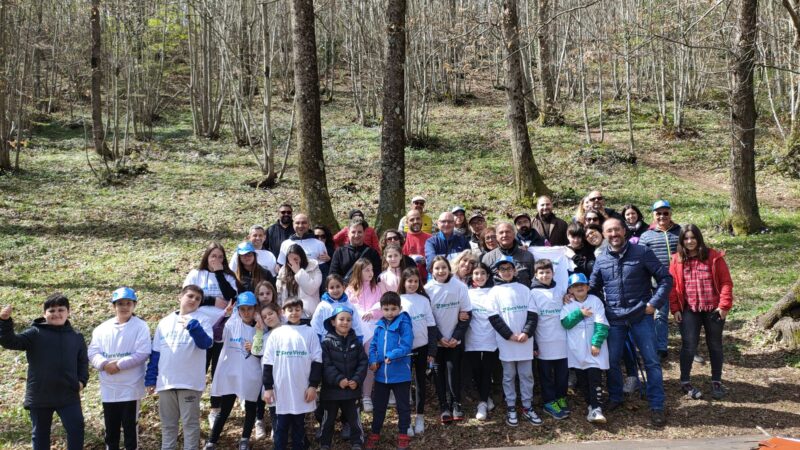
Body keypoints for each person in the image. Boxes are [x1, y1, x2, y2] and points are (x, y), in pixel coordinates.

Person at [588, 218, 672, 427]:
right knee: (612, 361)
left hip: (640, 315)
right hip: (615, 318)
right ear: (604, 234)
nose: (614, 234)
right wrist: (572, 296)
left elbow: (666, 279)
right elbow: (592, 288)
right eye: (609, 231)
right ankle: (616, 397)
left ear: (624, 231)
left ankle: (656, 405)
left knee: (651, 361)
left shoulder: (641, 253)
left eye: (617, 230)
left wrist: (654, 303)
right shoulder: (601, 259)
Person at [0, 294, 88, 450]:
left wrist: (81, 381)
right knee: (40, 434)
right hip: (40, 394)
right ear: (44, 314)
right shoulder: (35, 333)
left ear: (68, 312)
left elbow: (82, 362)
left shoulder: (76, 337)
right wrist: (5, 321)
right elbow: (10, 342)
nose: (56, 314)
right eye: (51, 310)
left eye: (61, 309)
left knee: (76, 429)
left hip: (68, 395)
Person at [669, 224, 733, 400]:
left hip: (713, 309)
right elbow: (672, 287)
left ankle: (716, 380)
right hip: (689, 309)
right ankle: (684, 380)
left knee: (715, 344)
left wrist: (724, 306)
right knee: (689, 345)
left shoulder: (713, 257)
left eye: (693, 237)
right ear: (682, 241)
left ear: (699, 238)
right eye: (686, 238)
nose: (690, 241)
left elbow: (726, 282)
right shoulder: (676, 260)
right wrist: (675, 308)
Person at [145, 285, 214, 450]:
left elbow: (206, 343)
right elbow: (156, 353)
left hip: (189, 382)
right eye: (190, 296)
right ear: (180, 297)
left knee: (190, 425)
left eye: (198, 299)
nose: (194, 300)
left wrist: (193, 326)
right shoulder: (165, 322)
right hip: (166, 382)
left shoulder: (202, 320)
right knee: (168, 426)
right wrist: (150, 378)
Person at [88, 287, 151, 450]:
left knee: (130, 427)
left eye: (128, 303)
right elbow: (93, 351)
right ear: (114, 306)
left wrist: (118, 365)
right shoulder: (102, 329)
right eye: (120, 303)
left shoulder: (141, 326)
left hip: (131, 386)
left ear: (134, 305)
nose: (124, 307)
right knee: (111, 428)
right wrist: (103, 364)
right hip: (109, 386)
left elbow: (143, 353)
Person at [486, 256, 541, 427]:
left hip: (525, 341)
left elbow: (533, 314)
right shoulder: (494, 292)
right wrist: (509, 335)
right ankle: (511, 406)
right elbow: (494, 317)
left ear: (515, 270)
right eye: (503, 269)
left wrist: (526, 333)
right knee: (508, 376)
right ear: (498, 272)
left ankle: (527, 406)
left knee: (527, 375)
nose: (507, 272)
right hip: (507, 342)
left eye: (509, 269)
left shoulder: (525, 290)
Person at [262, 299, 322, 450]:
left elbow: (317, 361)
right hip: (280, 390)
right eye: (290, 310)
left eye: (297, 309)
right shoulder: (276, 334)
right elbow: (268, 362)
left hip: (301, 389)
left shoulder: (310, 332)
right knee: (280, 426)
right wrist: (268, 387)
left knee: (299, 425)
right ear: (283, 312)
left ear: (302, 311)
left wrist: (313, 386)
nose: (294, 313)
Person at [206, 292, 262, 450]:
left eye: (249, 309)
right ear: (238, 310)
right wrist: (225, 315)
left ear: (255, 309)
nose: (246, 313)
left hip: (251, 373)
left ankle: (245, 438)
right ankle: (212, 440)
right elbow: (217, 334)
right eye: (242, 309)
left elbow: (262, 352)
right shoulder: (231, 324)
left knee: (251, 407)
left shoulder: (260, 327)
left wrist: (257, 337)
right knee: (225, 409)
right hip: (232, 372)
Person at [425, 256, 472, 423]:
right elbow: (427, 318)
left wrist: (455, 337)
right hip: (437, 342)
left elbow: (467, 314)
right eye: (437, 268)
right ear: (431, 271)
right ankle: (443, 406)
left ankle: (456, 404)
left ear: (449, 268)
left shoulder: (460, 286)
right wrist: (439, 338)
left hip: (454, 341)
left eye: (443, 267)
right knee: (438, 374)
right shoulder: (427, 289)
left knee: (453, 372)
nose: (441, 271)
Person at [365, 292, 414, 450]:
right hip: (381, 376)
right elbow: (373, 346)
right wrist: (373, 360)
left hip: (400, 375)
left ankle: (403, 434)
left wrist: (391, 355)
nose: (390, 312)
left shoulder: (404, 323)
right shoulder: (379, 325)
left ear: (400, 308)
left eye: (393, 309)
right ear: (381, 309)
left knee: (403, 407)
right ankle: (375, 433)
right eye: (386, 309)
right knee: (379, 406)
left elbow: (406, 345)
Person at [560, 273, 610, 424]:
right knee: (583, 380)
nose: (579, 288)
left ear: (588, 287)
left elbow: (601, 324)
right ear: (570, 290)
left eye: (582, 285)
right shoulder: (568, 305)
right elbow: (565, 323)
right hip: (576, 350)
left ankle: (597, 408)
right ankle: (591, 406)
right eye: (575, 286)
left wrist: (596, 343)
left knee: (595, 378)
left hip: (594, 349)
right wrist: (580, 313)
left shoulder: (595, 301)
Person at [319, 305, 369, 450]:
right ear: (333, 322)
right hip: (331, 391)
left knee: (354, 419)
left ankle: (357, 442)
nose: (345, 322)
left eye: (349, 320)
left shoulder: (356, 342)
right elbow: (326, 365)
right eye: (341, 319)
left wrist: (357, 379)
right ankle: (325, 443)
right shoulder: (326, 343)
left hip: (351, 390)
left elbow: (363, 362)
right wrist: (339, 379)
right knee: (328, 420)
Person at [639, 199, 681, 360]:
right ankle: (661, 347)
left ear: (671, 214)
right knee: (660, 315)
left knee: (684, 314)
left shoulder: (680, 231)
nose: (662, 216)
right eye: (658, 213)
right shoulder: (646, 235)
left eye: (665, 213)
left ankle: (691, 346)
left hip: (681, 280)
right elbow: (640, 258)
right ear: (653, 215)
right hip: (658, 282)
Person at [398, 267, 438, 435]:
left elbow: (431, 326)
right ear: (404, 282)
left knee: (420, 382)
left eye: (415, 281)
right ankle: (406, 421)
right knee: (404, 385)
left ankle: (419, 416)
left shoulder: (423, 300)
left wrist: (432, 350)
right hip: (404, 350)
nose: (412, 284)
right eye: (409, 281)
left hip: (422, 348)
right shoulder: (398, 299)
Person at [529, 260, 570, 420]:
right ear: (536, 275)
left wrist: (568, 297)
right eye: (541, 272)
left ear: (553, 273)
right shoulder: (532, 293)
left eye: (548, 272)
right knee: (546, 375)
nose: (545, 275)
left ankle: (561, 397)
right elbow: (531, 319)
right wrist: (533, 343)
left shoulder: (560, 289)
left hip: (562, 340)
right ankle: (549, 401)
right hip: (543, 341)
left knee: (562, 374)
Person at [465, 263, 498, 421]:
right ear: (472, 276)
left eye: (482, 273)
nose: (479, 276)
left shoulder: (495, 291)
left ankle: (483, 402)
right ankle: (485, 397)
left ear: (488, 275)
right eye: (476, 273)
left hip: (491, 337)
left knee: (487, 370)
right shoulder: (467, 292)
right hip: (472, 338)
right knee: (476, 370)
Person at [250, 302, 284, 440]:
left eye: (271, 313)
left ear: (278, 313)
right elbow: (256, 350)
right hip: (270, 381)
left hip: (286, 379)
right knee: (274, 410)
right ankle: (277, 434)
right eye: (265, 316)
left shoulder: (289, 331)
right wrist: (258, 332)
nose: (268, 317)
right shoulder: (265, 336)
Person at [311, 274, 366, 342]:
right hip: (327, 344)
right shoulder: (322, 306)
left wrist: (359, 341)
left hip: (346, 344)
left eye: (338, 286)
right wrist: (317, 344)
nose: (335, 290)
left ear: (343, 287)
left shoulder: (350, 306)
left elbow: (356, 325)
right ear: (327, 289)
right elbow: (316, 326)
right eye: (332, 287)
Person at [482, 222, 535, 288]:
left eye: (508, 232)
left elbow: (534, 281)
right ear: (497, 236)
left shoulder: (527, 256)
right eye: (501, 232)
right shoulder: (488, 258)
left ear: (514, 234)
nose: (504, 235)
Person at [330, 218, 382, 284]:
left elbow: (377, 275)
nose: (356, 235)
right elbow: (333, 276)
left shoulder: (372, 253)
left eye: (359, 232)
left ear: (364, 233)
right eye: (353, 232)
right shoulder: (339, 252)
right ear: (348, 233)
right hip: (345, 291)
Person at [276, 244, 322, 318]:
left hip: (308, 315)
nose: (293, 263)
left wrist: (298, 272)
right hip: (288, 315)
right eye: (290, 260)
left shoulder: (314, 268)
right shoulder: (283, 271)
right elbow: (279, 294)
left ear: (302, 257)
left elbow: (310, 289)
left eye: (296, 259)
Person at [402, 209, 432, 281]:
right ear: (407, 222)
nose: (416, 222)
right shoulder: (402, 239)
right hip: (409, 280)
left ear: (421, 220)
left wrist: (427, 260)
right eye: (412, 220)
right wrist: (410, 259)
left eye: (418, 218)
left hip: (427, 278)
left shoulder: (430, 238)